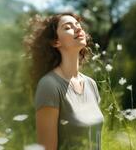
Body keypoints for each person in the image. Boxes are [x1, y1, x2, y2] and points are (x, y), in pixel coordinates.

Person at [23, 13, 104, 150]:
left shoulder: (91, 84)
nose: (78, 29)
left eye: (78, 26)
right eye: (68, 27)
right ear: (56, 42)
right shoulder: (49, 85)